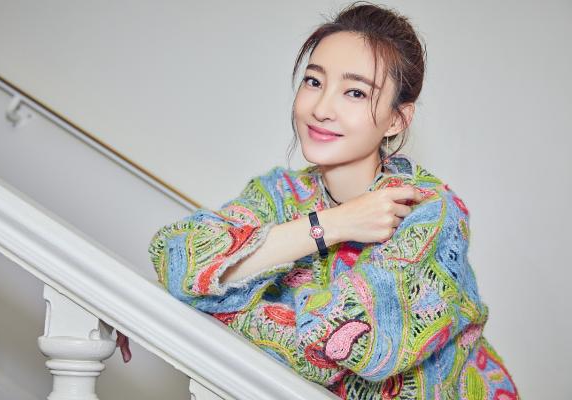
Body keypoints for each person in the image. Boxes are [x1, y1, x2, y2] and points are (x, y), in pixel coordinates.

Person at [148, 2, 519, 399]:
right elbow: (177, 259)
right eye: (313, 81)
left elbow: (340, 347)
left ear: (397, 119)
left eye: (355, 92)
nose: (322, 109)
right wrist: (333, 225)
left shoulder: (427, 211)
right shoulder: (279, 194)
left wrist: (221, 297)